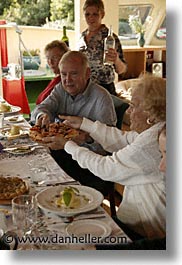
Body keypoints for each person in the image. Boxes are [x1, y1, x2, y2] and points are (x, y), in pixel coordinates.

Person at [42, 75, 166, 240]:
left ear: (151, 114)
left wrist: (67, 145)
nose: (128, 111)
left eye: (133, 106)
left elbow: (105, 168)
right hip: (135, 221)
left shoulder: (152, 143)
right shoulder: (157, 129)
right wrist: (84, 124)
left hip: (147, 234)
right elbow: (123, 139)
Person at [31, 50, 117, 195]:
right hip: (64, 155)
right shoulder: (61, 89)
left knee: (43, 180)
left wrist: (87, 139)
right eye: (63, 74)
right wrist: (42, 115)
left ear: (87, 73)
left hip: (90, 166)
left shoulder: (102, 99)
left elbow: (110, 146)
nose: (67, 80)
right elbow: (41, 108)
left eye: (74, 74)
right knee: (35, 172)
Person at [79, 0, 127, 95]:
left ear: (102, 14)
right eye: (87, 14)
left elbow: (122, 70)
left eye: (95, 14)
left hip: (105, 89)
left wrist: (116, 60)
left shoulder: (110, 38)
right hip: (85, 88)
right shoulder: (82, 37)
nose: (91, 18)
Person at [36, 40, 69, 105]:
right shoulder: (56, 79)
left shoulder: (66, 82)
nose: (50, 62)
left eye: (55, 57)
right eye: (48, 58)